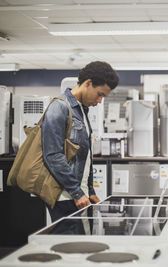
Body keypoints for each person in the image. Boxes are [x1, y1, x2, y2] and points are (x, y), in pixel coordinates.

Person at [42, 61, 119, 226]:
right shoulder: (59, 107)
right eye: (99, 94)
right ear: (88, 83)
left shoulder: (81, 109)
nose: (99, 101)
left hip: (79, 195)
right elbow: (53, 156)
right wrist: (77, 193)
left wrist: (89, 191)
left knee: (82, 244)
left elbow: (85, 156)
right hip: (64, 196)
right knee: (70, 246)